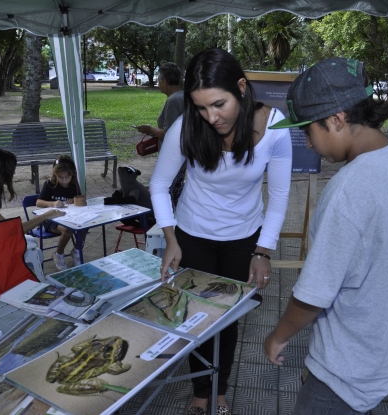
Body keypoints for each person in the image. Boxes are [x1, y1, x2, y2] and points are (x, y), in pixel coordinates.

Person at [263, 58, 388, 414]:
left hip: (346, 368)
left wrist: (278, 336)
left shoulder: (347, 190)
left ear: (337, 119)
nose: (307, 143)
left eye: (308, 130)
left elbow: (314, 294)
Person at [149, 48, 292, 415]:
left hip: (243, 239)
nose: (210, 117)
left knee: (226, 319)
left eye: (218, 104)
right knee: (197, 316)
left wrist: (263, 251)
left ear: (241, 88)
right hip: (192, 234)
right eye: (200, 107)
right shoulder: (186, 127)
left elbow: (278, 197)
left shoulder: (275, 127)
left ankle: (221, 390)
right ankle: (200, 393)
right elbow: (159, 185)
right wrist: (170, 240)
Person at [136, 62, 186, 208]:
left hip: (172, 160)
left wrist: (149, 129)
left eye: (158, 80)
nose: (158, 84)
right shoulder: (184, 96)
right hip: (182, 158)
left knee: (167, 201)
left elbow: (168, 134)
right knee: (175, 197)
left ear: (164, 81)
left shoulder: (173, 100)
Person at [36, 155, 84, 271]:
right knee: (67, 230)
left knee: (85, 225)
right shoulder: (49, 184)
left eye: (67, 177)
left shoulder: (74, 184)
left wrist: (74, 200)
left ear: (72, 175)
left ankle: (77, 251)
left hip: (70, 217)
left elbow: (80, 198)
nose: (64, 180)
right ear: (55, 174)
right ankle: (59, 254)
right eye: (60, 177)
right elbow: (38, 202)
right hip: (50, 219)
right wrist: (52, 203)